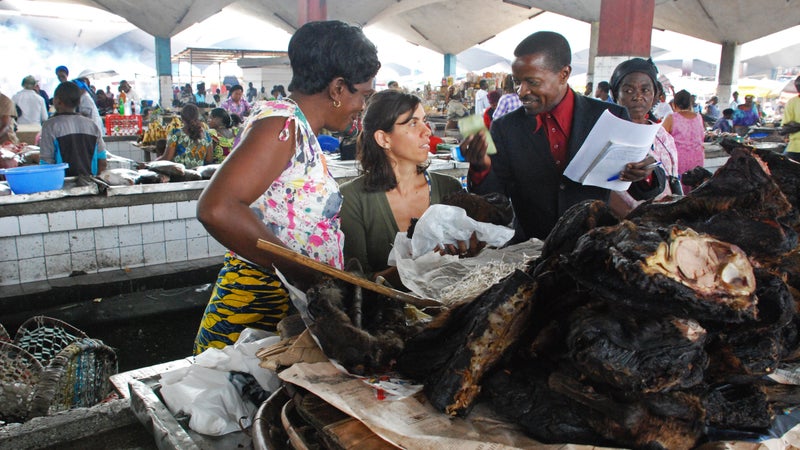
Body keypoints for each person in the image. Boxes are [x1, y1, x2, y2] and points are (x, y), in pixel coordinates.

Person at [193, 20, 380, 354]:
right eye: (362, 95)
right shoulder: (283, 123)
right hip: (256, 312)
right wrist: (303, 272)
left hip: (284, 305)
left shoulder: (295, 126)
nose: (361, 107)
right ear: (337, 89)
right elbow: (217, 208)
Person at [460, 31, 664, 242]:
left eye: (533, 82)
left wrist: (643, 172)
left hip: (592, 247)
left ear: (564, 74)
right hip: (530, 250)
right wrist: (481, 168)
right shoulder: (506, 127)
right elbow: (495, 201)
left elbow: (644, 190)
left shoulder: (609, 117)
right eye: (517, 82)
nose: (521, 92)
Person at [340, 90, 465, 286]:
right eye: (413, 123)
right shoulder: (353, 198)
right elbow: (354, 282)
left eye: (424, 121)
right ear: (384, 139)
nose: (427, 131)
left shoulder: (449, 188)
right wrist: (413, 269)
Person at [607, 58, 680, 216]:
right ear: (614, 94)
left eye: (645, 90)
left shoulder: (662, 137)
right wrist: (631, 218)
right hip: (618, 221)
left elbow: (672, 180)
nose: (637, 97)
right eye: (628, 91)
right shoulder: (605, 133)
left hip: (660, 219)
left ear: (655, 95)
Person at [39, 81, 107, 177]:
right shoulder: (91, 125)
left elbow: (46, 163)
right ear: (79, 102)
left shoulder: (50, 126)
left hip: (63, 185)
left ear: (57, 101)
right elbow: (102, 161)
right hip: (91, 184)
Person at [662, 89, 705, 193]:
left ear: (674, 104)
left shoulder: (672, 118)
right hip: (697, 158)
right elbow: (701, 136)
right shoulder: (699, 117)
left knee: (679, 190)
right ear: (690, 103)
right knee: (695, 188)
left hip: (679, 159)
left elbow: (661, 138)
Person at [156, 103, 212, 169]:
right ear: (197, 117)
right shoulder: (207, 135)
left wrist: (151, 163)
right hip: (198, 175)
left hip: (179, 175)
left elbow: (167, 158)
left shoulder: (176, 134)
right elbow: (209, 159)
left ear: (182, 119)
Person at [782, 76, 800, 162]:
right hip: (794, 148)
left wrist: (796, 126)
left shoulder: (791, 102)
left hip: (794, 148)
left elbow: (787, 127)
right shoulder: (791, 102)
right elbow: (786, 128)